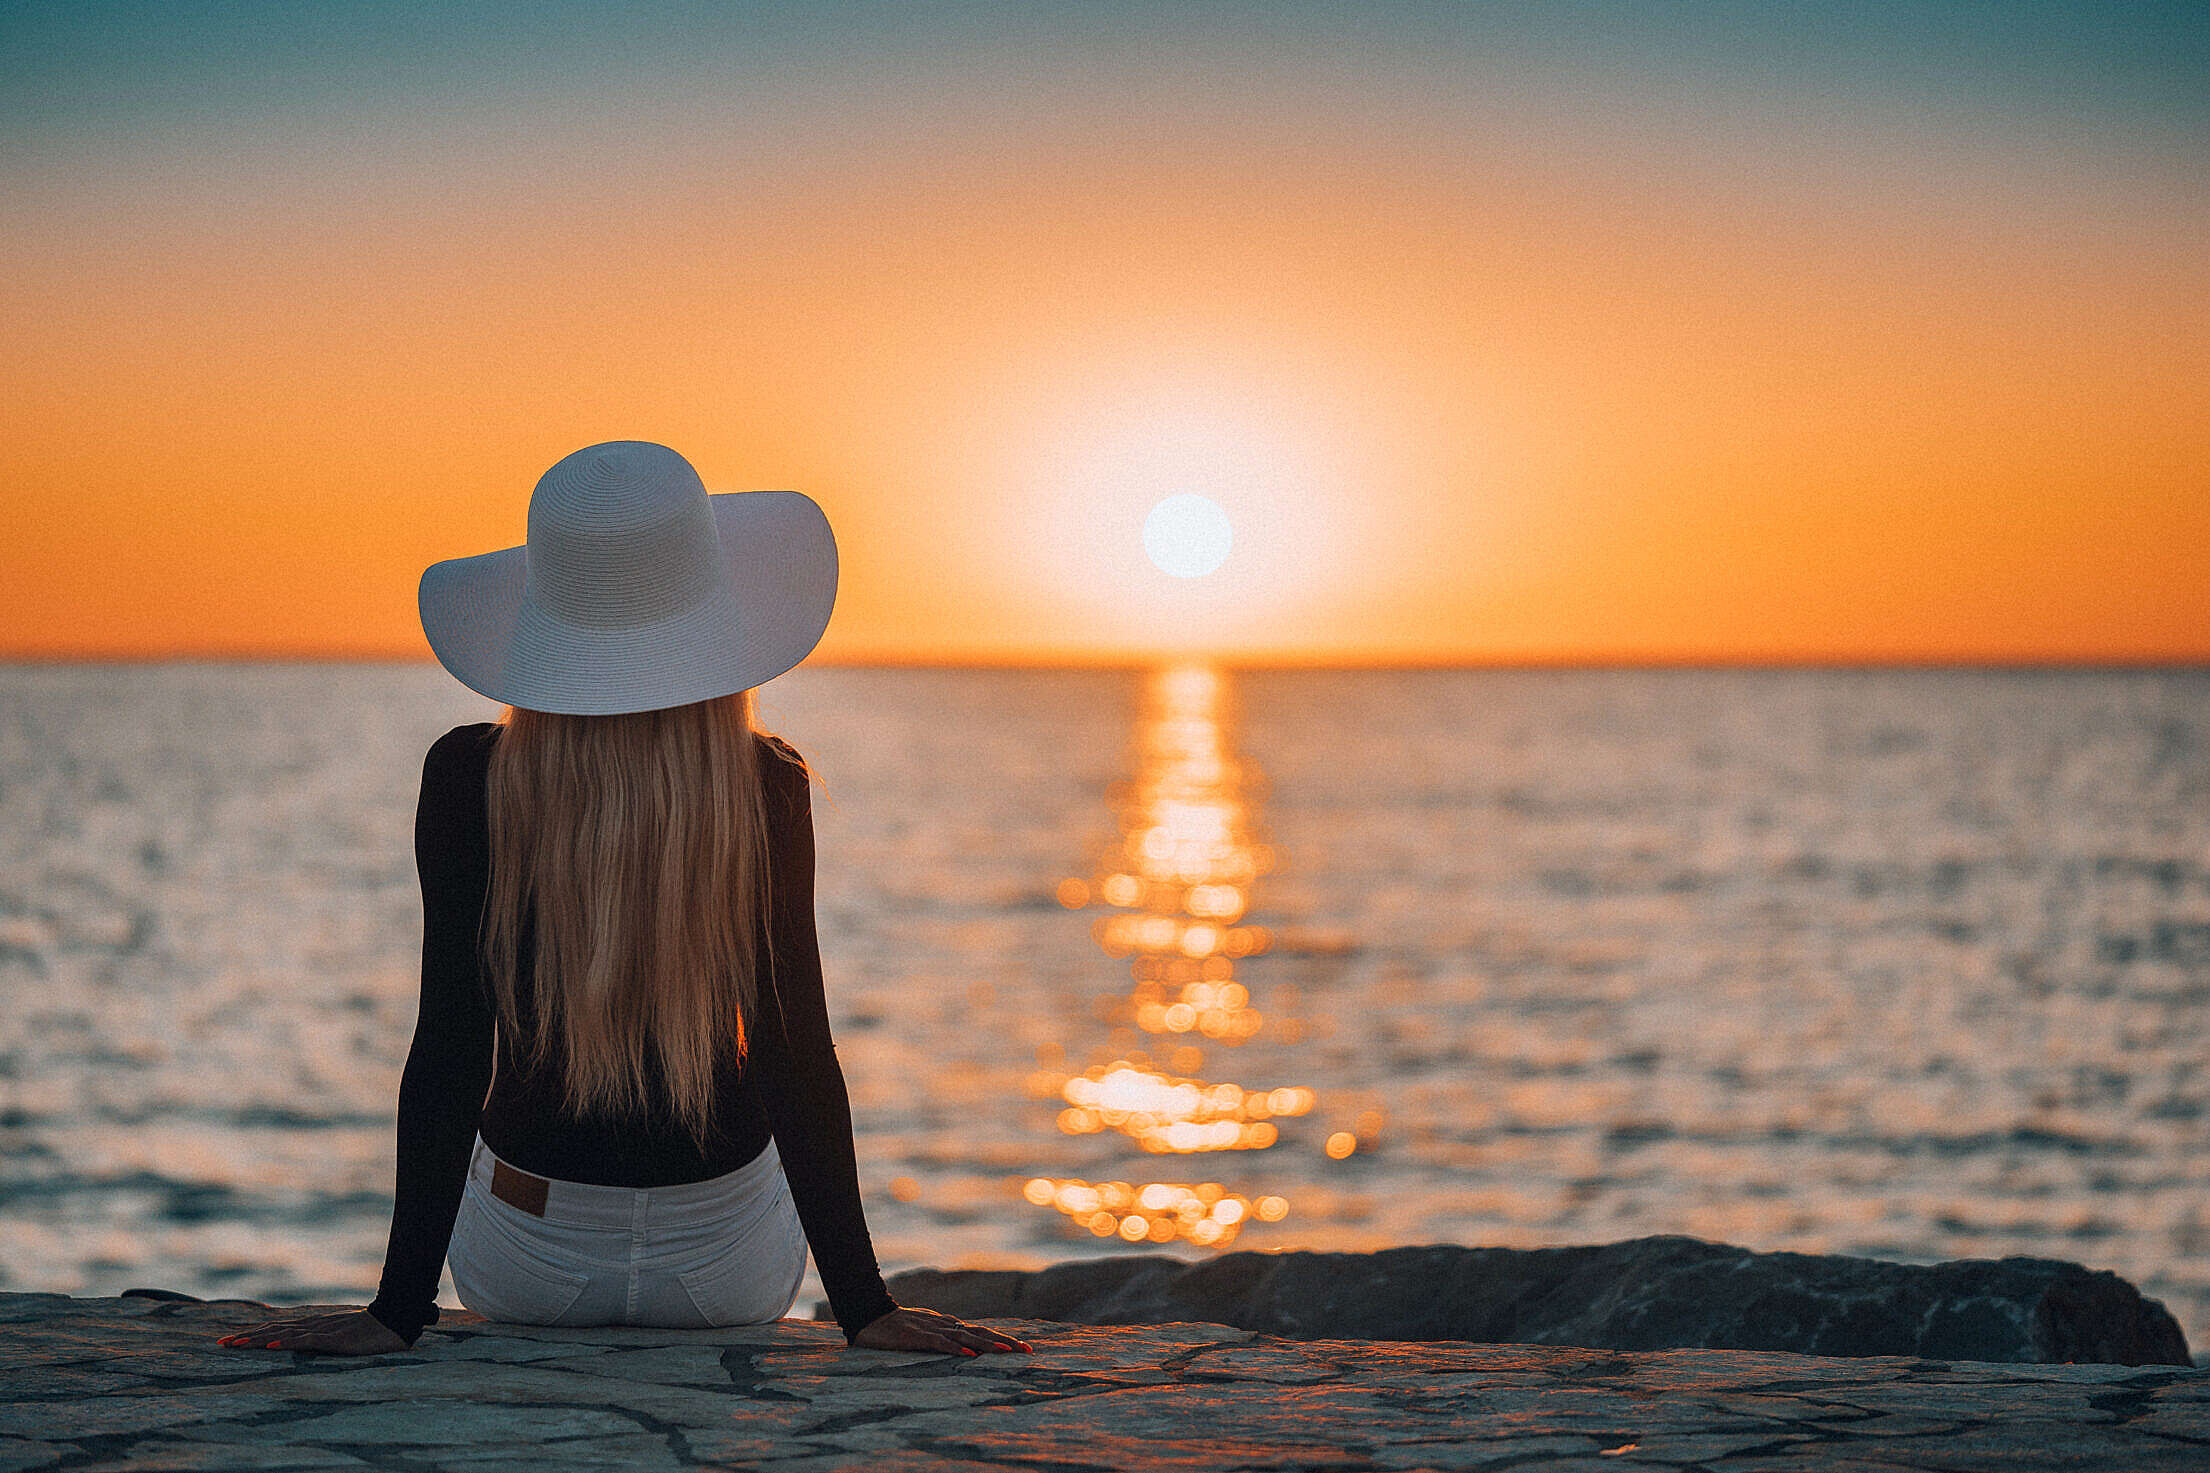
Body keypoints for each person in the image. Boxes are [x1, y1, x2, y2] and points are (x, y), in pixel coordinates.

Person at [217, 441, 1029, 1359]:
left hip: (530, 1265)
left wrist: (393, 1312)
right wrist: (865, 1306)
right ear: (715, 621)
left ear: (544, 620)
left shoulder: (468, 777)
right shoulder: (764, 783)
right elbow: (793, 1048)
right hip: (724, 1269)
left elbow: (450, 1045)